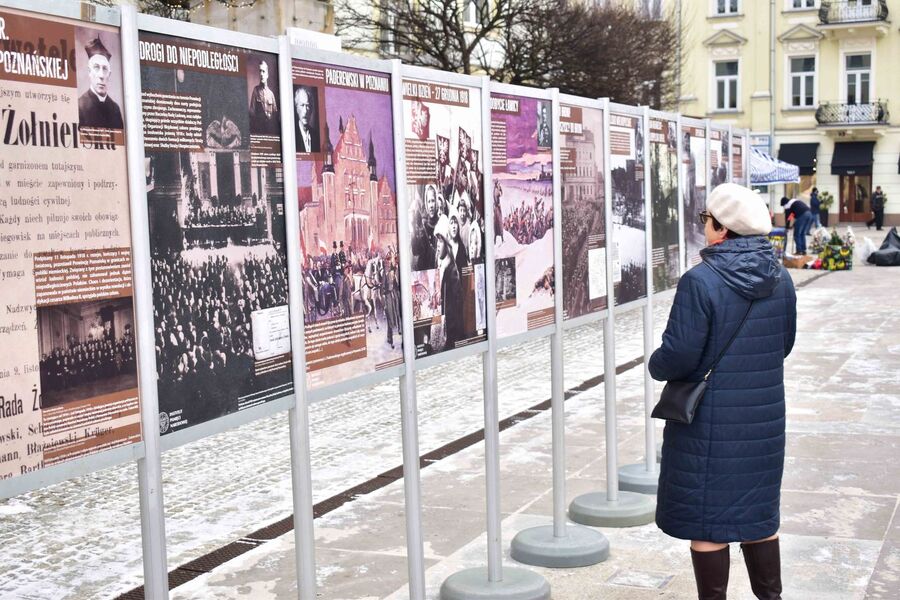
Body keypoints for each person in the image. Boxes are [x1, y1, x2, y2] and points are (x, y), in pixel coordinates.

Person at [650, 183, 796, 600]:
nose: (704, 227)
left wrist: (656, 364)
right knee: (758, 517)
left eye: (707, 220)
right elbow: (783, 344)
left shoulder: (700, 281)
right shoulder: (781, 277)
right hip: (763, 420)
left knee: (708, 524)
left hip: (709, 423)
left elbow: (679, 356)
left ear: (722, 229)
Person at [78, 36, 124, 129]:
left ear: (109, 74)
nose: (101, 75)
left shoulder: (115, 109)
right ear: (89, 72)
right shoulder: (79, 106)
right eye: (96, 68)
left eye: (105, 69)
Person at [249, 60, 279, 134]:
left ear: (267, 74)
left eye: (263, 71)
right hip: (259, 131)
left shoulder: (271, 94)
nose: (261, 74)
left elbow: (275, 115)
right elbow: (252, 113)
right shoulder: (256, 90)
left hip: (270, 132)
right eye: (260, 71)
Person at [294, 86, 320, 153]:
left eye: (307, 106)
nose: (305, 111)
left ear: (311, 109)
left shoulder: (316, 136)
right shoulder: (292, 134)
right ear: (296, 108)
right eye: (302, 105)